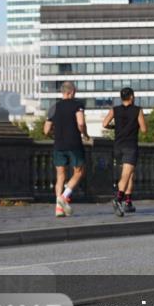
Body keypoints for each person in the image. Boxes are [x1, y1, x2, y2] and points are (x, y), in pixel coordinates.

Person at [44, 81, 90, 217]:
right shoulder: (77, 105)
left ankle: (58, 209)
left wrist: (56, 135)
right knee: (79, 171)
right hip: (74, 143)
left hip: (58, 145)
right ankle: (64, 197)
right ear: (71, 92)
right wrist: (85, 134)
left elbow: (46, 130)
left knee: (60, 176)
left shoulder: (54, 107)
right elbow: (81, 123)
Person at [102, 87, 147, 217]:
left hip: (117, 146)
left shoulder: (114, 110)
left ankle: (128, 202)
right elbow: (144, 129)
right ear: (132, 97)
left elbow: (104, 124)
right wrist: (135, 125)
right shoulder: (137, 110)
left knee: (128, 174)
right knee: (127, 175)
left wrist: (116, 127)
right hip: (130, 146)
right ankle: (119, 199)